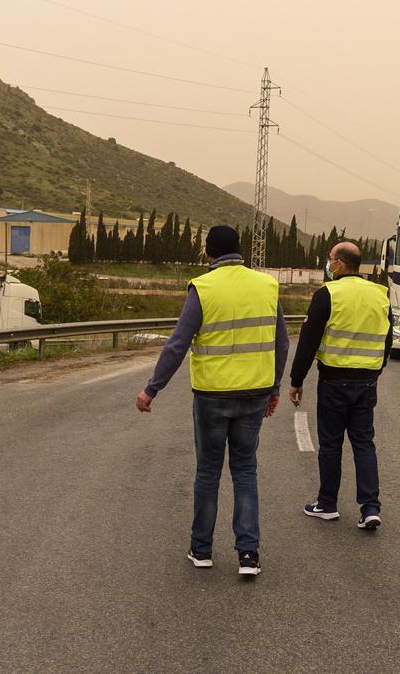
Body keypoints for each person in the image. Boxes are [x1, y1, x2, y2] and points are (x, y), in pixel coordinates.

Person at [135, 225, 288, 576]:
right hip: (254, 393)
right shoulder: (267, 285)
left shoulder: (203, 287)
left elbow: (177, 344)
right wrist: (274, 387)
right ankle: (248, 554)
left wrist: (151, 389)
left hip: (212, 397)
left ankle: (201, 549)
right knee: (245, 470)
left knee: (208, 472)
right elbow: (281, 343)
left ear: (208, 253)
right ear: (240, 249)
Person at [289, 242, 392, 530]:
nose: (328, 263)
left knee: (331, 443)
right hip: (366, 381)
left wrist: (297, 381)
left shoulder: (328, 294)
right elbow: (388, 340)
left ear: (340, 264)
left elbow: (308, 342)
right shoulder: (380, 294)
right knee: (364, 443)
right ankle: (370, 507)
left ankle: (327, 503)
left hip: (334, 380)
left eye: (330, 259)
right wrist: (374, 370)